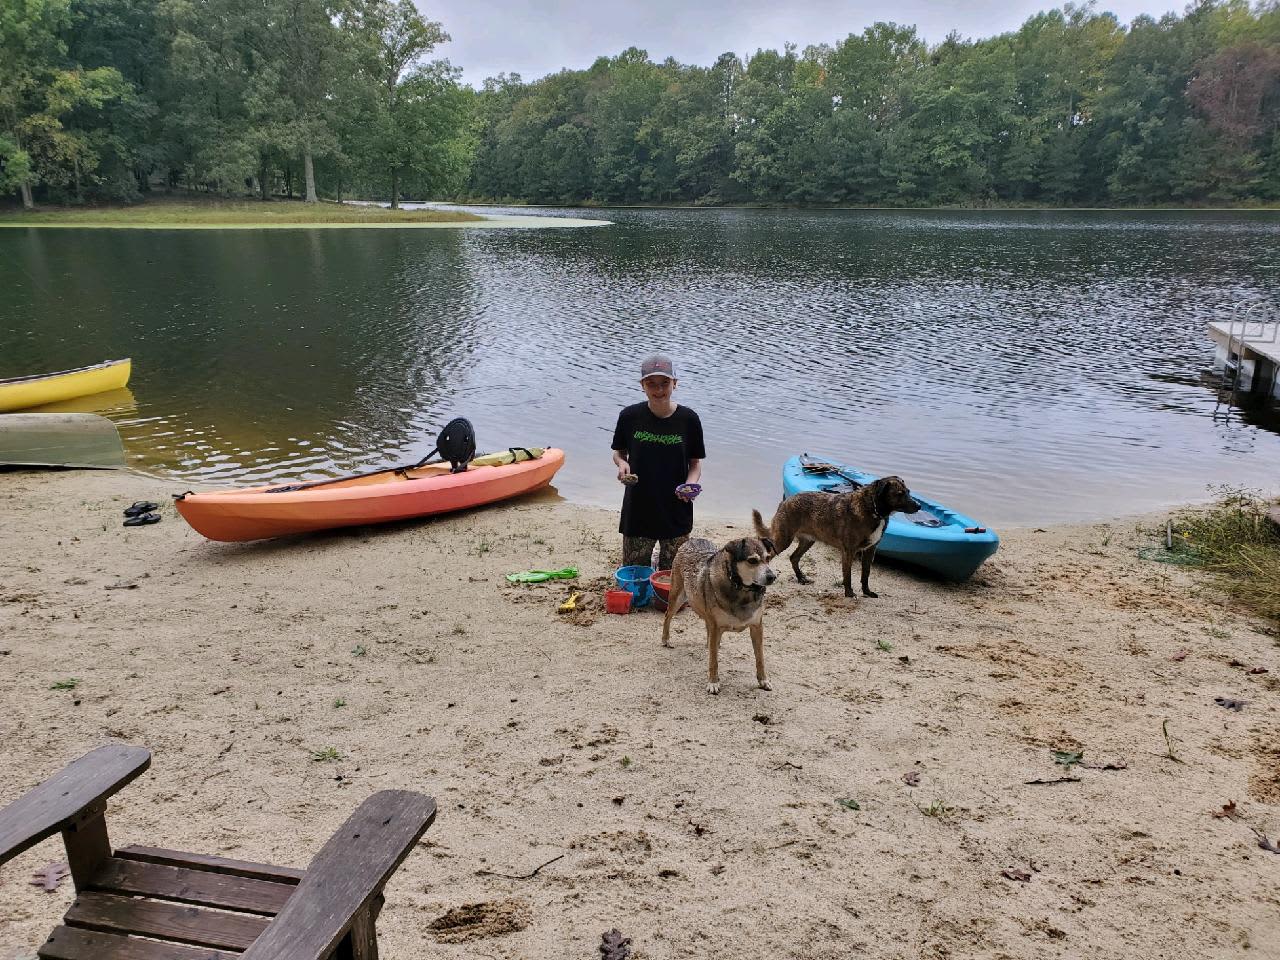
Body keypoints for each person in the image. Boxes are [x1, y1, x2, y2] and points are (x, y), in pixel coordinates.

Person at [611, 353, 705, 571]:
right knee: (635, 572)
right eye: (651, 383)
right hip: (638, 507)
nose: (659, 390)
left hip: (676, 507)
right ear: (642, 385)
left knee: (671, 576)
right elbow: (618, 453)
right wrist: (622, 464)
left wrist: (691, 485)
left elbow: (695, 464)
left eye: (665, 383)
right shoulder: (629, 416)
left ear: (675, 383)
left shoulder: (689, 420)